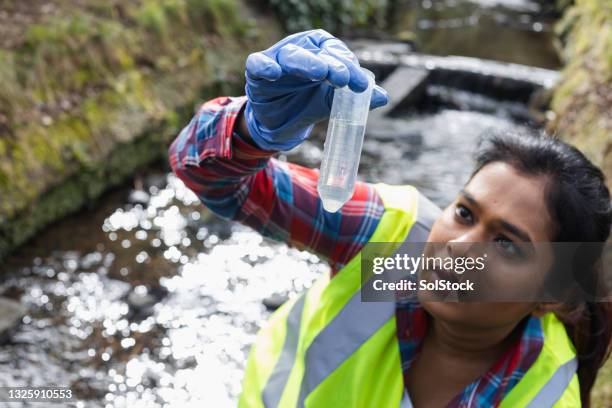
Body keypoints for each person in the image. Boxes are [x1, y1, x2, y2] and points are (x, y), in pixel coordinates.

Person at [169, 30, 611, 407]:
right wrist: (252, 128)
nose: (458, 247)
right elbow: (222, 182)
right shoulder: (391, 249)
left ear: (553, 293)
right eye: (463, 212)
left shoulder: (544, 397)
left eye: (506, 244)